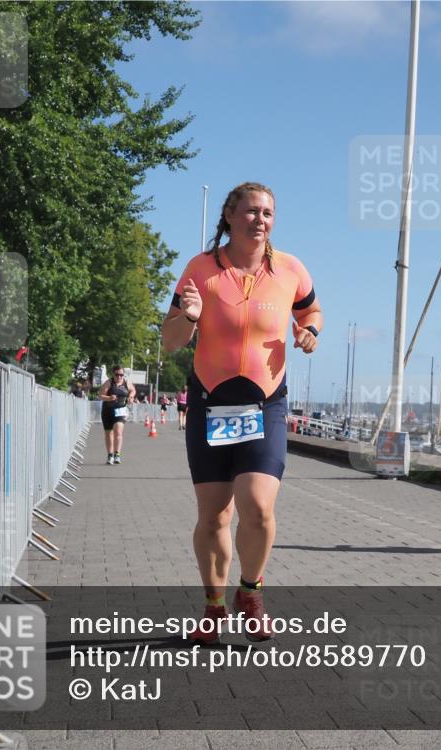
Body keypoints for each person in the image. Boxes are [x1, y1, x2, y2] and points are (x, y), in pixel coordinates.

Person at [161, 182, 322, 643]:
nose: (261, 220)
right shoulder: (201, 268)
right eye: (251, 211)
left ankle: (250, 592)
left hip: (265, 403)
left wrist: (309, 334)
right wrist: (188, 316)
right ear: (230, 216)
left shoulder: (290, 269)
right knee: (214, 516)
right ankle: (214, 608)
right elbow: (169, 340)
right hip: (210, 403)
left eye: (268, 212)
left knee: (258, 506)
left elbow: (313, 313)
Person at [99, 366, 136, 465]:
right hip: (108, 411)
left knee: (118, 432)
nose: (119, 377)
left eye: (121, 375)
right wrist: (109, 398)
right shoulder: (109, 383)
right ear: (113, 374)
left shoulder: (126, 382)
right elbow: (100, 395)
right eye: (117, 375)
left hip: (121, 411)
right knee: (108, 434)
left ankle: (117, 454)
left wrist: (131, 396)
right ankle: (110, 455)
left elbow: (133, 390)